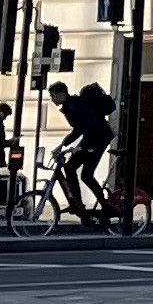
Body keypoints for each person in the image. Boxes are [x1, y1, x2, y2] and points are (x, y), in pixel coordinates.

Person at [50, 80, 116, 222]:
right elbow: (81, 129)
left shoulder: (73, 106)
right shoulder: (73, 103)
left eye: (53, 95)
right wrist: (66, 146)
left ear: (61, 94)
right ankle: (87, 205)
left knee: (77, 171)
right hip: (95, 137)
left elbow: (81, 128)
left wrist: (67, 147)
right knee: (78, 171)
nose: (52, 99)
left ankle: (86, 205)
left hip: (98, 139)